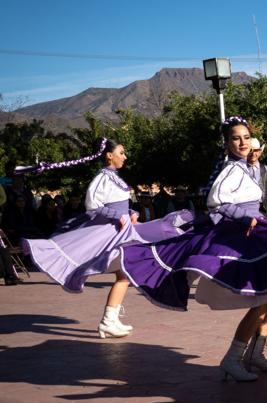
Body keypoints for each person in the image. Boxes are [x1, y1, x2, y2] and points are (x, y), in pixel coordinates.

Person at [119, 116, 267, 382]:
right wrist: (244, 217)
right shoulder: (232, 169)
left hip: (257, 232)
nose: (243, 142)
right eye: (236, 138)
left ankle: (255, 354)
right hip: (243, 235)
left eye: (246, 137)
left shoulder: (246, 168)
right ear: (226, 143)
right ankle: (232, 359)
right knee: (261, 298)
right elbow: (216, 203)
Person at [20, 139, 192, 339]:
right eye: (121, 152)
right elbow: (92, 206)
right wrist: (115, 215)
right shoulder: (102, 178)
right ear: (109, 155)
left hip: (124, 229)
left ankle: (109, 320)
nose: (124, 156)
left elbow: (116, 203)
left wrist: (129, 212)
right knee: (124, 274)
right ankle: (108, 321)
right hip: (112, 232)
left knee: (124, 275)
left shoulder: (113, 178)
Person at [247, 138, 267, 222]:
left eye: (256, 150)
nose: (253, 153)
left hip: (263, 209)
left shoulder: (266, 170)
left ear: (260, 152)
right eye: (250, 150)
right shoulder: (240, 169)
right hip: (246, 210)